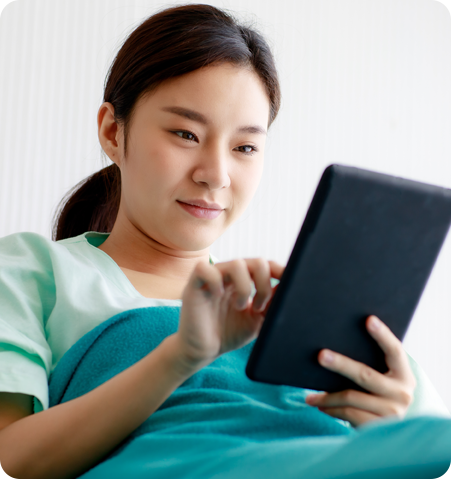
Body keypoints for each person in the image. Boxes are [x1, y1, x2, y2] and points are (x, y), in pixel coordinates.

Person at [0, 4, 449, 479]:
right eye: (185, 133)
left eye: (245, 148)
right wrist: (182, 355)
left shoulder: (300, 311)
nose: (215, 175)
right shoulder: (34, 271)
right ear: (113, 131)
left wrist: (390, 421)